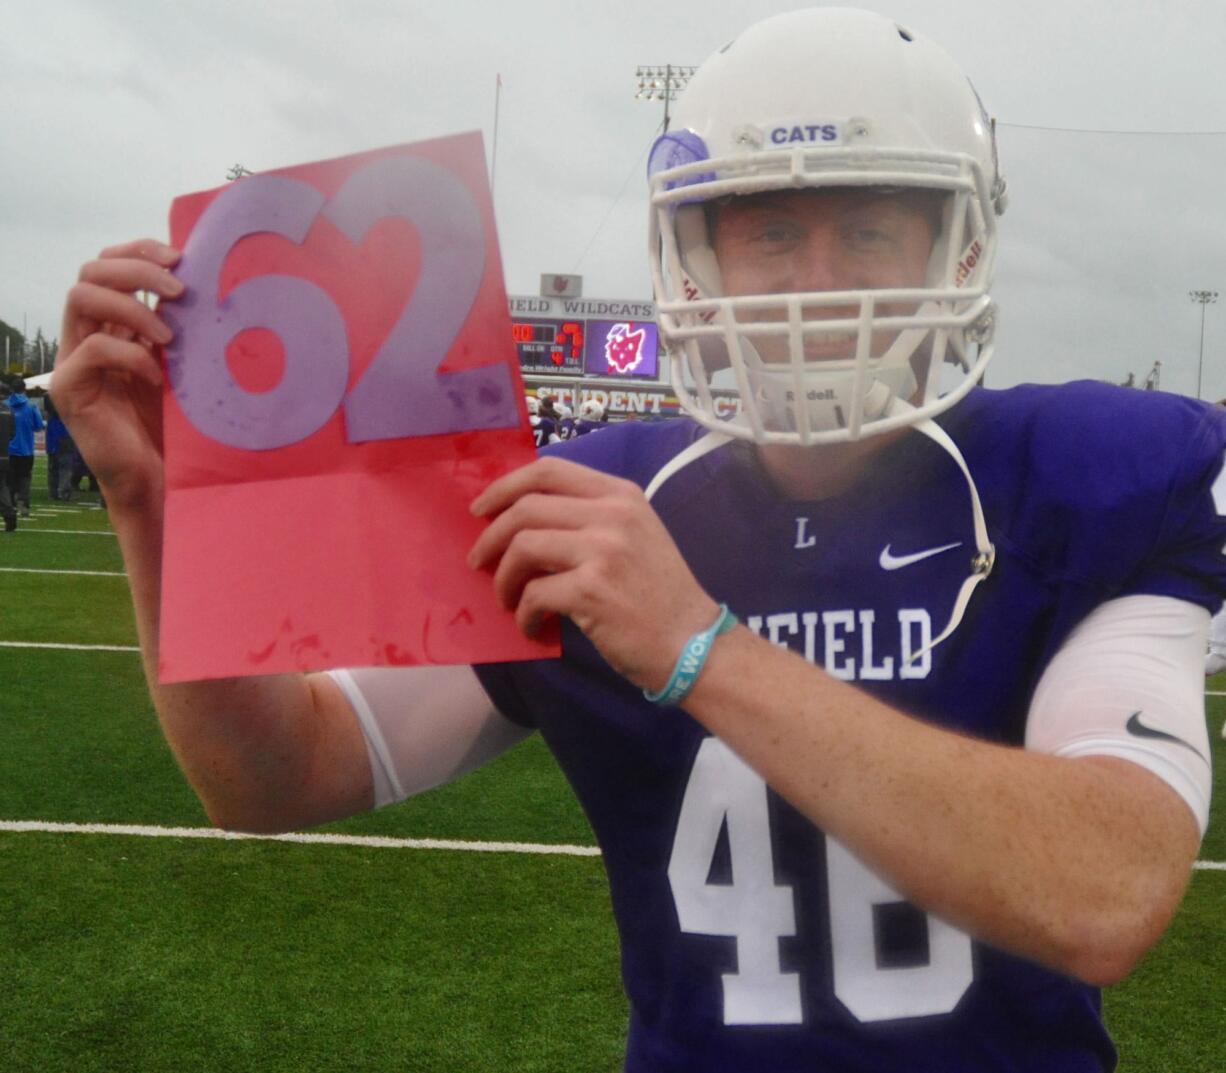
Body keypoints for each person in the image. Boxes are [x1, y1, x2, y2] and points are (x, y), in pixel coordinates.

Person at [53, 10, 1219, 1071]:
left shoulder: (1076, 478)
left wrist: (697, 647)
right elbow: (272, 776)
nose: (815, 285)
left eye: (867, 230)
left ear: (952, 247)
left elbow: (1101, 889)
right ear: (696, 257)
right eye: (768, 234)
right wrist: (161, 510)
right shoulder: (600, 497)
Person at [6, 376, 45, 517]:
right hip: (26, 449)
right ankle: (23, 502)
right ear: (24, 389)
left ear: (11, 389)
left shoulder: (5, 404)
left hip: (7, 449)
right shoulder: (31, 406)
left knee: (8, 478)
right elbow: (38, 426)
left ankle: (10, 503)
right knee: (25, 477)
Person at [0, 381, 16, 532]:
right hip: (4, 456)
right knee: (2, 487)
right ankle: (10, 514)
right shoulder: (8, 410)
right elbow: (12, 433)